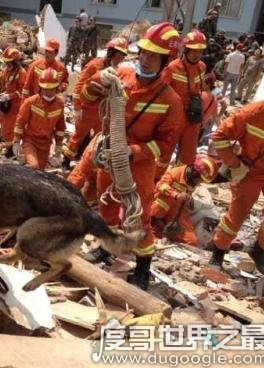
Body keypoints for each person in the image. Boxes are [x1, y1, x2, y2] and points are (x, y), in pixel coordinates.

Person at [82, 23, 184, 290]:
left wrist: (133, 151)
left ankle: (143, 266)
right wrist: (97, 81)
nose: (145, 59)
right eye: (143, 52)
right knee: (106, 206)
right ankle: (107, 247)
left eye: (152, 55)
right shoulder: (122, 76)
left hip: (137, 166)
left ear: (164, 61)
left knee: (139, 218)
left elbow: (164, 145)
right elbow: (86, 97)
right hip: (109, 156)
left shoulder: (170, 100)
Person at [209, 76, 264, 276]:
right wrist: (234, 164)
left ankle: (260, 251)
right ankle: (218, 252)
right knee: (238, 213)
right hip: (250, 171)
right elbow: (220, 136)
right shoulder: (253, 113)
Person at [63, 37, 128, 164]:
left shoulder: (117, 70)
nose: (121, 59)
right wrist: (77, 108)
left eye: (123, 56)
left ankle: (84, 162)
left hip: (102, 112)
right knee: (78, 137)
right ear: (111, 53)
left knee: (98, 139)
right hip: (88, 109)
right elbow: (79, 85)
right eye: (119, 55)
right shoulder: (95, 65)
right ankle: (66, 161)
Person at [157, 30, 207, 179]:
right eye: (193, 51)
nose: (196, 55)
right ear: (186, 49)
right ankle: (155, 180)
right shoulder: (173, 67)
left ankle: (180, 182)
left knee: (188, 155)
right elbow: (161, 94)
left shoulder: (202, 67)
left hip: (193, 118)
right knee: (165, 153)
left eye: (200, 51)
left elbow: (199, 90)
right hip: (175, 118)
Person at [151, 156, 219, 246]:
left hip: (177, 210)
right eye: (200, 180)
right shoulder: (176, 172)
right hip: (160, 205)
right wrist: (175, 195)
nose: (199, 183)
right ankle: (153, 224)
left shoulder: (191, 181)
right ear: (195, 173)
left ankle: (167, 232)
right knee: (165, 201)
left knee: (191, 241)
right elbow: (160, 186)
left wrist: (189, 201)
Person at [13, 68, 65, 170]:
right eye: (45, 89)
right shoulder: (31, 102)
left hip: (45, 145)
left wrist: (59, 146)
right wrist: (16, 142)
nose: (48, 92)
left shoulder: (60, 104)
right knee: (33, 166)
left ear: (57, 88)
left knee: (39, 172)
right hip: (30, 141)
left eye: (51, 89)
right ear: (40, 87)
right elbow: (20, 122)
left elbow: (60, 127)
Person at [0, 47, 26, 155]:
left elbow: (23, 91)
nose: (7, 65)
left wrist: (10, 96)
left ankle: (11, 150)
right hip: (4, 105)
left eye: (9, 63)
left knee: (11, 128)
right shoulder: (5, 71)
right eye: (6, 63)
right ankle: (8, 146)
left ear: (15, 61)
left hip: (15, 106)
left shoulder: (22, 73)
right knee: (4, 127)